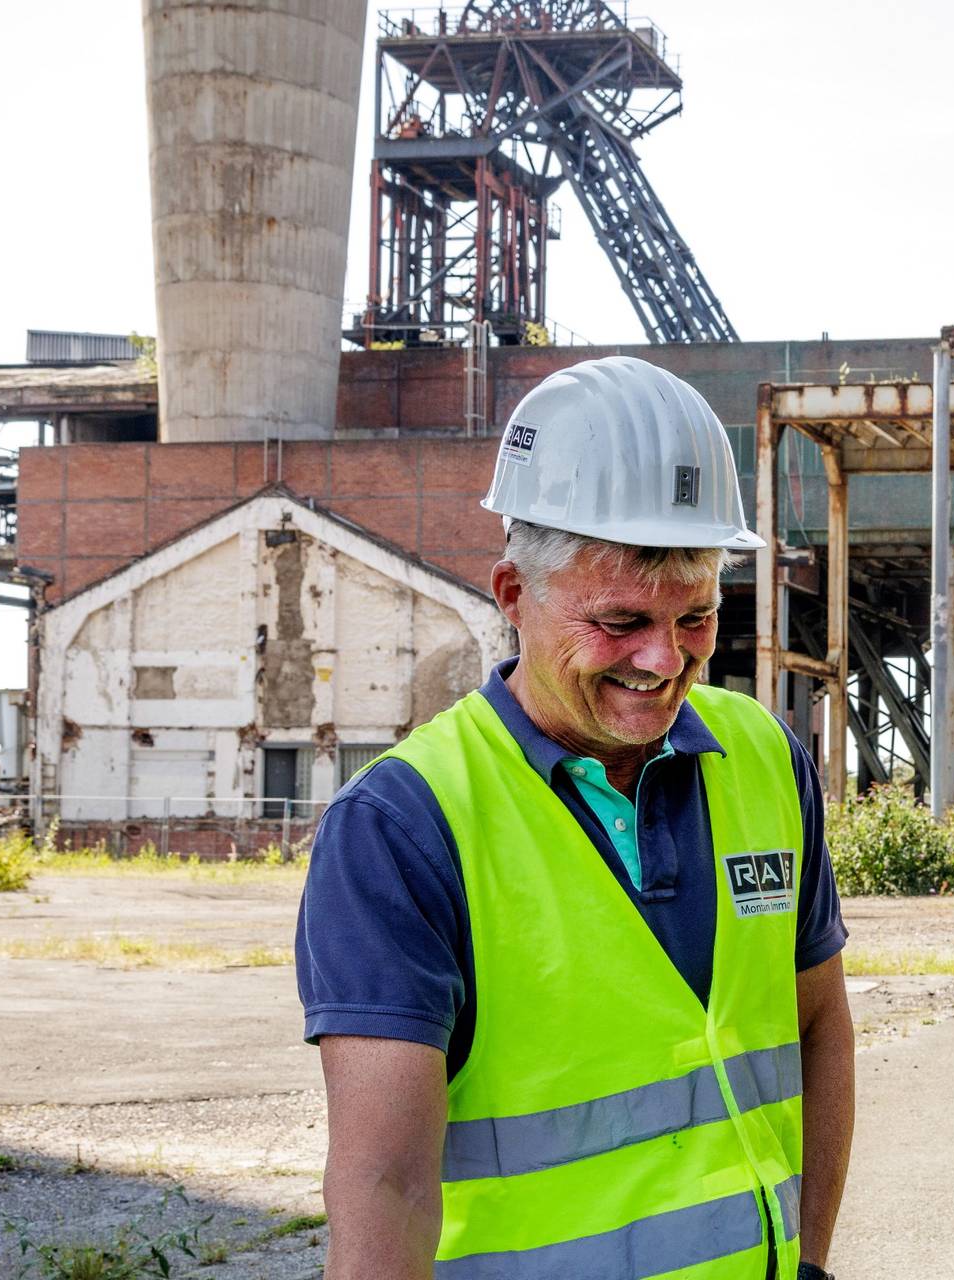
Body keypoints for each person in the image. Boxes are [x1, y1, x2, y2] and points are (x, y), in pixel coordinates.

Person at [296, 356, 854, 1280]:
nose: (663, 660)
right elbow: (385, 1188)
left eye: (697, 617)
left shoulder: (763, 756)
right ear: (514, 595)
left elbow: (819, 1027)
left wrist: (813, 1266)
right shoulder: (403, 827)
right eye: (621, 621)